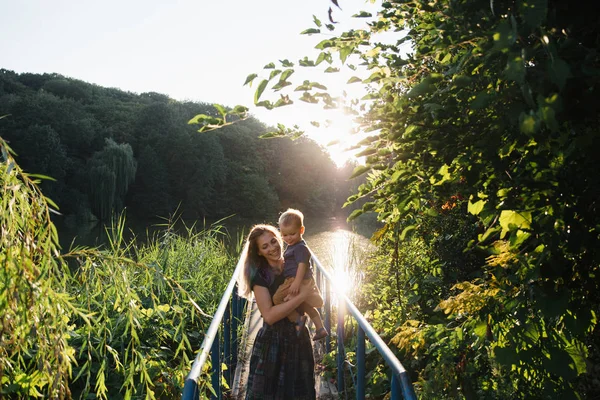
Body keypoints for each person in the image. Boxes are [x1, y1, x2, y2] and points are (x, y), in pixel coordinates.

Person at [237, 224, 317, 400]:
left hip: (298, 338)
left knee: (300, 392)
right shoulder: (260, 276)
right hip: (273, 341)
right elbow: (270, 316)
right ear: (259, 252)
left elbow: (312, 290)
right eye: (265, 246)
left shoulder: (294, 262)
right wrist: (301, 296)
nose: (272, 248)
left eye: (273, 241)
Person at [273, 209, 328, 341]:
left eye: (292, 233)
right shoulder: (293, 246)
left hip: (296, 280)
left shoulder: (300, 247)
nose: (288, 238)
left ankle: (298, 320)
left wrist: (296, 282)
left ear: (301, 230)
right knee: (304, 304)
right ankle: (320, 329)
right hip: (298, 280)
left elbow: (302, 265)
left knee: (277, 299)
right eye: (284, 235)